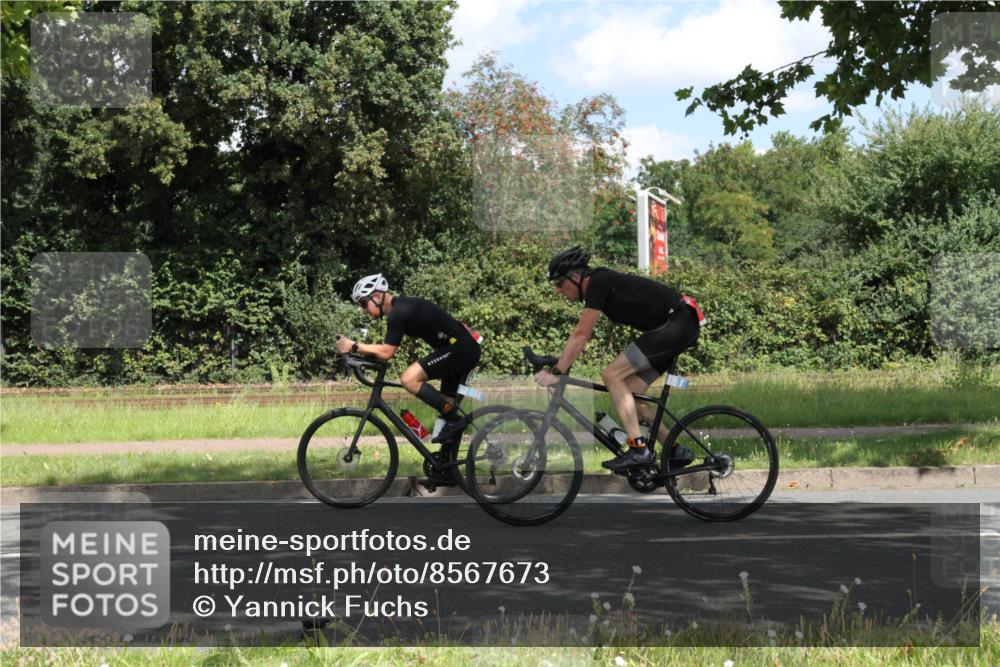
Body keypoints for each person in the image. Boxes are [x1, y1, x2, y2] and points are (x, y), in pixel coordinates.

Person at [535, 246, 704, 469]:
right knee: (632, 395)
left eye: (559, 283)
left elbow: (581, 334)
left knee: (611, 375)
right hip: (675, 326)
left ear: (575, 277)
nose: (558, 290)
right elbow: (580, 336)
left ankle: (638, 449)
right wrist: (560, 364)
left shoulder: (597, 282)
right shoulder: (599, 283)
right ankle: (675, 450)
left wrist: (557, 372)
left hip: (677, 324)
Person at [335, 273, 481, 444]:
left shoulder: (399, 311)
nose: (363, 310)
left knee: (409, 378)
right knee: (445, 425)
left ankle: (455, 420)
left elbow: (386, 352)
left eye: (363, 303)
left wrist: (354, 346)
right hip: (457, 349)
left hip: (462, 349)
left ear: (377, 296)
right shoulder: (399, 309)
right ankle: (447, 467)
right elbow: (384, 351)